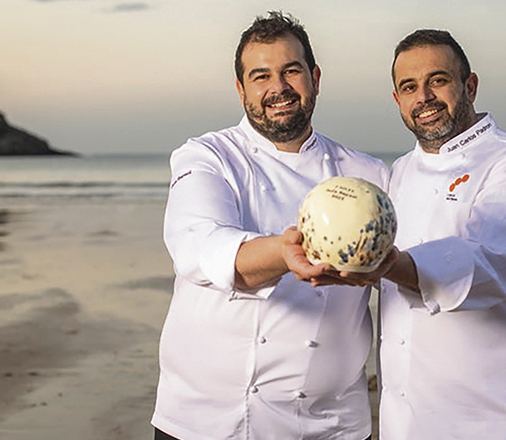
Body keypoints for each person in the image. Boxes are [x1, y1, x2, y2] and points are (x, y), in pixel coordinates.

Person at [150, 11, 388, 440]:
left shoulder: (369, 176)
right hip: (202, 421)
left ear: (314, 77)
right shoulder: (207, 156)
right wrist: (285, 253)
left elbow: (407, 279)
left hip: (328, 425)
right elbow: (198, 245)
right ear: (241, 90)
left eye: (291, 71)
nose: (277, 88)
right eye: (260, 76)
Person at [337, 29, 506, 439]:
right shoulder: (400, 173)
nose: (422, 96)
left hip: (497, 417)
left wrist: (393, 265)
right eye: (409, 87)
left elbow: (490, 262)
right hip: (405, 421)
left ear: (470, 85)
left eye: (437, 80)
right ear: (397, 101)